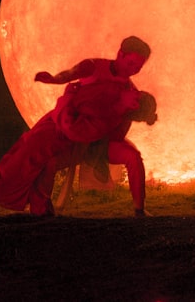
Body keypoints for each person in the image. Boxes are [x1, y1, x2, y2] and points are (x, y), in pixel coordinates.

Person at [0, 79, 153, 224]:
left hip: (78, 143)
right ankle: (35, 207)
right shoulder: (107, 93)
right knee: (17, 173)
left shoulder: (121, 115)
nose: (133, 94)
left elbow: (107, 134)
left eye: (135, 103)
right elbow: (76, 92)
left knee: (131, 157)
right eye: (134, 97)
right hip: (58, 131)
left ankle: (138, 209)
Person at [36, 36, 154, 216]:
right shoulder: (94, 66)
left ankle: (140, 209)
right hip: (75, 133)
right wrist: (54, 79)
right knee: (49, 162)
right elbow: (70, 73)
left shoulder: (130, 90)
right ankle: (43, 206)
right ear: (120, 54)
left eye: (138, 68)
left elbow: (128, 119)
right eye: (131, 64)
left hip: (102, 140)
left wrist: (144, 114)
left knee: (133, 158)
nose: (133, 71)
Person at [56, 91, 157, 216]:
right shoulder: (116, 105)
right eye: (139, 118)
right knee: (55, 161)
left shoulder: (126, 109)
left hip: (106, 142)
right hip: (89, 141)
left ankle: (139, 208)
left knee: (133, 157)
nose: (137, 120)